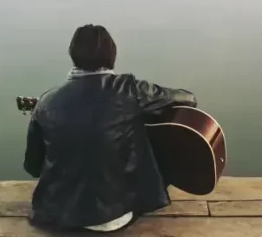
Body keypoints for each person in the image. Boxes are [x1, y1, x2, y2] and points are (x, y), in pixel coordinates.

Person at [23, 24, 197, 233]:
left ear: (73, 55)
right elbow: (188, 99)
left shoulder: (46, 102)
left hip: (59, 215)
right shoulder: (130, 90)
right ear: (112, 54)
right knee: (152, 134)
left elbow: (33, 166)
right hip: (118, 215)